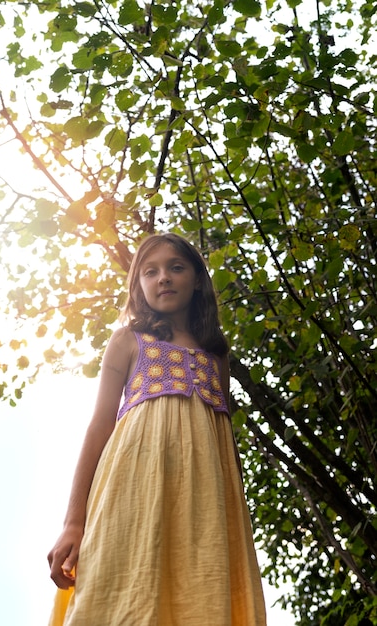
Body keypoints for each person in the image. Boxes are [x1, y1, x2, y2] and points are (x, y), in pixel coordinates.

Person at [47, 232, 266, 626]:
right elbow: (99, 427)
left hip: (204, 503)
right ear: (139, 286)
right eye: (151, 271)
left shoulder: (216, 356)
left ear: (197, 279)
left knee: (199, 590)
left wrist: (236, 527)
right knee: (124, 584)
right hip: (133, 488)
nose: (163, 277)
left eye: (175, 267)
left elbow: (223, 442)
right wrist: (74, 522)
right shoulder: (129, 341)